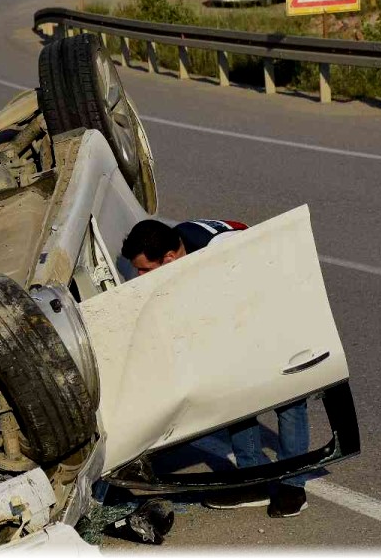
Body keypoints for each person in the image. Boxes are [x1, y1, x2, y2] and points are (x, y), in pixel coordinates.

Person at [120, 218, 310, 519]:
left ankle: (293, 487)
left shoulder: (219, 254)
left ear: (168, 258)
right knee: (236, 397)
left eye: (144, 269)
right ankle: (253, 482)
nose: (139, 276)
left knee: (289, 399)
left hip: (274, 303)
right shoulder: (178, 245)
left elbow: (260, 287)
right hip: (235, 311)